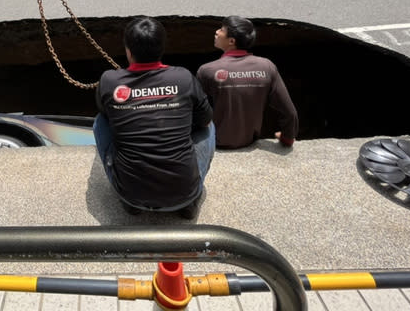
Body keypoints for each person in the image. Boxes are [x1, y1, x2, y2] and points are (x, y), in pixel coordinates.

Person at [94, 16, 215, 218]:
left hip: (131, 195)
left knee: (100, 122)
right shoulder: (183, 77)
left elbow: (105, 113)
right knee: (210, 126)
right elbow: (205, 120)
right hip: (184, 191)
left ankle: (131, 201)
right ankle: (188, 202)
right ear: (162, 48)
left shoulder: (109, 80)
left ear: (128, 50)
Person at [196, 16, 298, 149]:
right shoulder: (266, 67)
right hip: (250, 140)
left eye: (221, 30)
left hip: (216, 142)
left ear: (231, 41)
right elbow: (289, 112)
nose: (216, 32)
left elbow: (195, 112)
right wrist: (288, 138)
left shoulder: (207, 70)